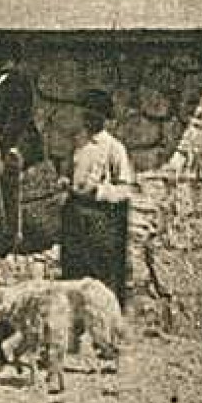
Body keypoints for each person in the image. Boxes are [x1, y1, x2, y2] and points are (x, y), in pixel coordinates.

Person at [59, 89, 135, 304]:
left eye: (93, 115)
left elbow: (125, 189)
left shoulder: (114, 148)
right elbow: (68, 173)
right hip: (74, 218)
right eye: (86, 114)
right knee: (73, 275)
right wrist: (65, 181)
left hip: (99, 222)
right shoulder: (78, 144)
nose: (88, 120)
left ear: (103, 118)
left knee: (99, 280)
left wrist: (100, 192)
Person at [0, 43, 47, 170]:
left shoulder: (18, 80)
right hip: (1, 138)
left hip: (13, 141)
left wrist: (3, 139)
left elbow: (17, 114)